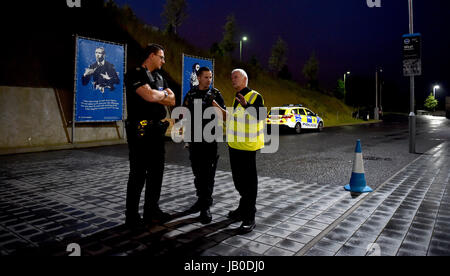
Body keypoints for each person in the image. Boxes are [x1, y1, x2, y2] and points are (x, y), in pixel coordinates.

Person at [124, 43, 175, 228]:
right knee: (138, 174)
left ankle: (151, 211)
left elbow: (173, 99)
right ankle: (131, 216)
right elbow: (149, 97)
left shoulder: (160, 77)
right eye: (161, 56)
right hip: (140, 130)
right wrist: (160, 95)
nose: (163, 60)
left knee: (157, 173)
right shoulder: (135, 73)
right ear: (151, 56)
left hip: (156, 132)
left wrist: (156, 93)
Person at [183, 67, 226, 224]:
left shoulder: (215, 94)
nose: (209, 80)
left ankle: (205, 207)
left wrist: (214, 103)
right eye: (206, 77)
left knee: (208, 175)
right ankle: (201, 200)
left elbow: (226, 116)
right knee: (198, 174)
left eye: (210, 77)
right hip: (194, 142)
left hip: (210, 141)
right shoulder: (191, 94)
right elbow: (185, 116)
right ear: (199, 78)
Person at [226, 69, 266, 233]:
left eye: (236, 77)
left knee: (249, 183)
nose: (233, 80)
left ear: (245, 79)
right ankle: (243, 208)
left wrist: (247, 105)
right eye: (231, 77)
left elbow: (262, 115)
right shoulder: (237, 96)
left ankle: (249, 216)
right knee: (238, 181)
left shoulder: (254, 96)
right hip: (235, 146)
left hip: (248, 146)